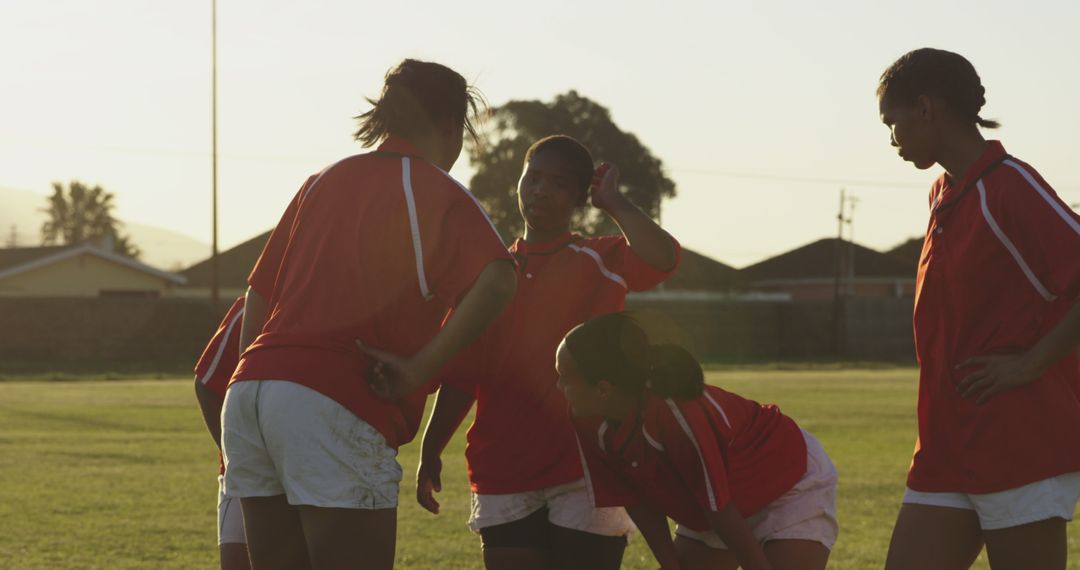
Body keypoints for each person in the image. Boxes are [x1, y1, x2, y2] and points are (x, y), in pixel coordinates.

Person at [220, 59, 518, 570]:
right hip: (333, 400)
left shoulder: (322, 180)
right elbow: (499, 277)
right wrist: (421, 370)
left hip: (250, 394)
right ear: (451, 126)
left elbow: (259, 297)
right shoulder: (432, 188)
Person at [415, 135, 680, 570]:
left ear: (578, 198)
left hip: (588, 466)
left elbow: (663, 257)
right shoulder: (490, 275)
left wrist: (612, 201)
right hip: (504, 466)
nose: (540, 190)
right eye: (533, 177)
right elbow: (463, 374)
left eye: (558, 184)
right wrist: (431, 448)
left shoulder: (602, 257)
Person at [877, 48, 1080, 570]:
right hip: (945, 446)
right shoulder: (944, 193)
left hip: (1018, 442)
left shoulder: (1009, 185)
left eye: (891, 120)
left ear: (924, 108)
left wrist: (1031, 362)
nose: (891, 137)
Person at [558, 312, 838, 570]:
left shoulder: (672, 410)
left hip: (784, 480)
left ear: (603, 389)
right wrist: (670, 564)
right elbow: (634, 497)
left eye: (564, 378)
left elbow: (719, 509)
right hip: (717, 503)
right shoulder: (586, 417)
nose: (558, 387)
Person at [193, 297, 250, 570]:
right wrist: (236, 458)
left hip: (316, 469)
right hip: (248, 472)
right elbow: (207, 384)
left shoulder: (337, 306)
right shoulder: (249, 310)